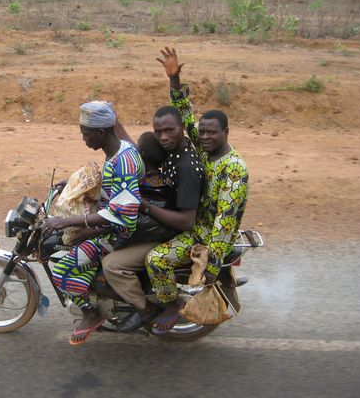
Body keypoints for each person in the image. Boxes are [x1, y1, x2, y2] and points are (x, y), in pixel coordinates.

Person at [144, 46, 249, 334]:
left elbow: (224, 222)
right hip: (190, 218)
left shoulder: (234, 169)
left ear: (226, 133)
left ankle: (170, 304)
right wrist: (174, 79)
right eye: (202, 132)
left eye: (212, 132)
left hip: (204, 232)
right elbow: (182, 114)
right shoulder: (204, 150)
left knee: (155, 260)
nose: (204, 136)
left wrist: (210, 262)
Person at [42, 100, 145, 345]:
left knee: (63, 269)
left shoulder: (122, 164)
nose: (84, 139)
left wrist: (75, 224)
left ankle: (92, 313)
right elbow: (113, 193)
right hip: (112, 224)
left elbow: (125, 214)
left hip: (119, 236)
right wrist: (71, 185)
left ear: (101, 132)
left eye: (85, 134)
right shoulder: (123, 150)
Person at [102, 105, 204, 333]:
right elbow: (135, 149)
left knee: (112, 264)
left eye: (169, 131)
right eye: (159, 133)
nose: (163, 137)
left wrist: (144, 207)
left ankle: (151, 307)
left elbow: (187, 222)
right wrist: (113, 119)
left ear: (181, 128)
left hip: (175, 231)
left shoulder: (186, 167)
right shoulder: (172, 152)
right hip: (162, 222)